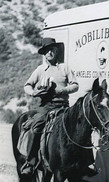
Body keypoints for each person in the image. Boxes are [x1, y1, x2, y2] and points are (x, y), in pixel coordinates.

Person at [18, 37, 79, 174]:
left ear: (56, 51)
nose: (49, 53)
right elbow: (27, 85)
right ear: (44, 54)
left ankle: (84, 162)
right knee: (36, 126)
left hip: (63, 106)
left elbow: (75, 85)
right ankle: (31, 162)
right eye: (46, 51)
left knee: (80, 126)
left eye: (52, 50)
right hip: (46, 106)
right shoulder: (40, 70)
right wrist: (34, 92)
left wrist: (62, 90)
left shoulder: (65, 68)